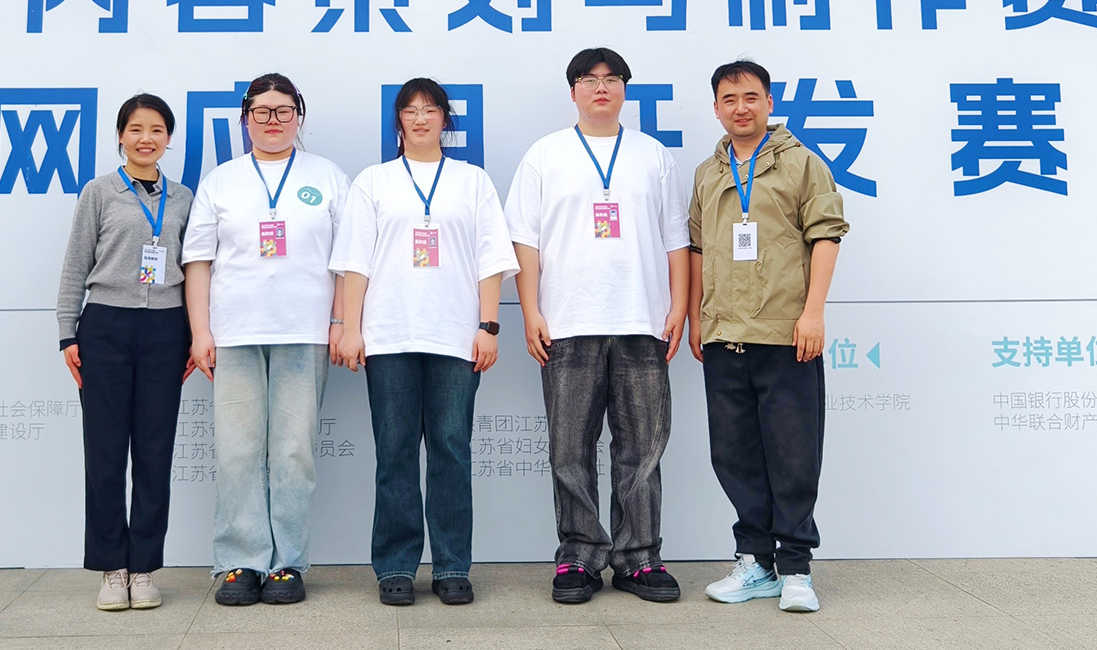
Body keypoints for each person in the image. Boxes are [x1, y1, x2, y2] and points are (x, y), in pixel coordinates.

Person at [504, 48, 691, 604]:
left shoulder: (653, 155)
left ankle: (639, 557)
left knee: (642, 449)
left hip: (642, 320)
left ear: (625, 89)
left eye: (612, 79)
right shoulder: (545, 155)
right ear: (574, 91)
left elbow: (676, 238)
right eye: (589, 80)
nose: (601, 88)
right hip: (567, 321)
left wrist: (680, 307)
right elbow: (524, 240)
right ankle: (580, 556)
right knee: (570, 450)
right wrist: (531, 311)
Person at [331, 79, 517, 608]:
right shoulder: (374, 181)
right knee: (394, 452)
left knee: (451, 451)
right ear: (398, 121)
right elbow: (355, 262)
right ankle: (395, 566)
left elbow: (491, 258)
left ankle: (452, 565)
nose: (420, 118)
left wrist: (488, 326)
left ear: (445, 121)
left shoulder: (472, 181)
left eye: (430, 110)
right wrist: (349, 327)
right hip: (388, 335)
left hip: (455, 336)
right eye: (410, 111)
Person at [181, 74, 350, 606]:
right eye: (261, 111)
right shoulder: (222, 181)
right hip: (235, 333)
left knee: (294, 450)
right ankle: (241, 560)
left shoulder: (327, 176)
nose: (272, 121)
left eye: (283, 111)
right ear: (245, 119)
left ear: (299, 116)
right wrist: (201, 331)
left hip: (304, 332)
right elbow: (198, 261)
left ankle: (287, 563)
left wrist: (341, 322)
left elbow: (347, 261)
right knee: (238, 449)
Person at [687, 60, 847, 613]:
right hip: (724, 334)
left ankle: (796, 569)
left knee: (793, 454)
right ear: (716, 108)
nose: (741, 108)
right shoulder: (708, 173)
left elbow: (826, 237)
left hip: (786, 334)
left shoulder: (803, 164)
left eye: (751, 97)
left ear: (769, 102)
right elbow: (696, 248)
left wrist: (813, 313)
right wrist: (697, 319)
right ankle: (756, 563)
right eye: (729, 99)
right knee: (734, 455)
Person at [57, 94, 195, 612]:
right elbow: (76, 264)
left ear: (168, 138)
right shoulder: (99, 192)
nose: (145, 138)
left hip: (166, 328)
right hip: (105, 327)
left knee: (155, 452)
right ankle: (112, 568)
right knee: (106, 452)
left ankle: (144, 568)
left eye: (156, 130)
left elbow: (196, 269)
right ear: (120, 136)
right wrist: (67, 333)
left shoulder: (183, 198)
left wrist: (194, 334)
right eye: (135, 129)